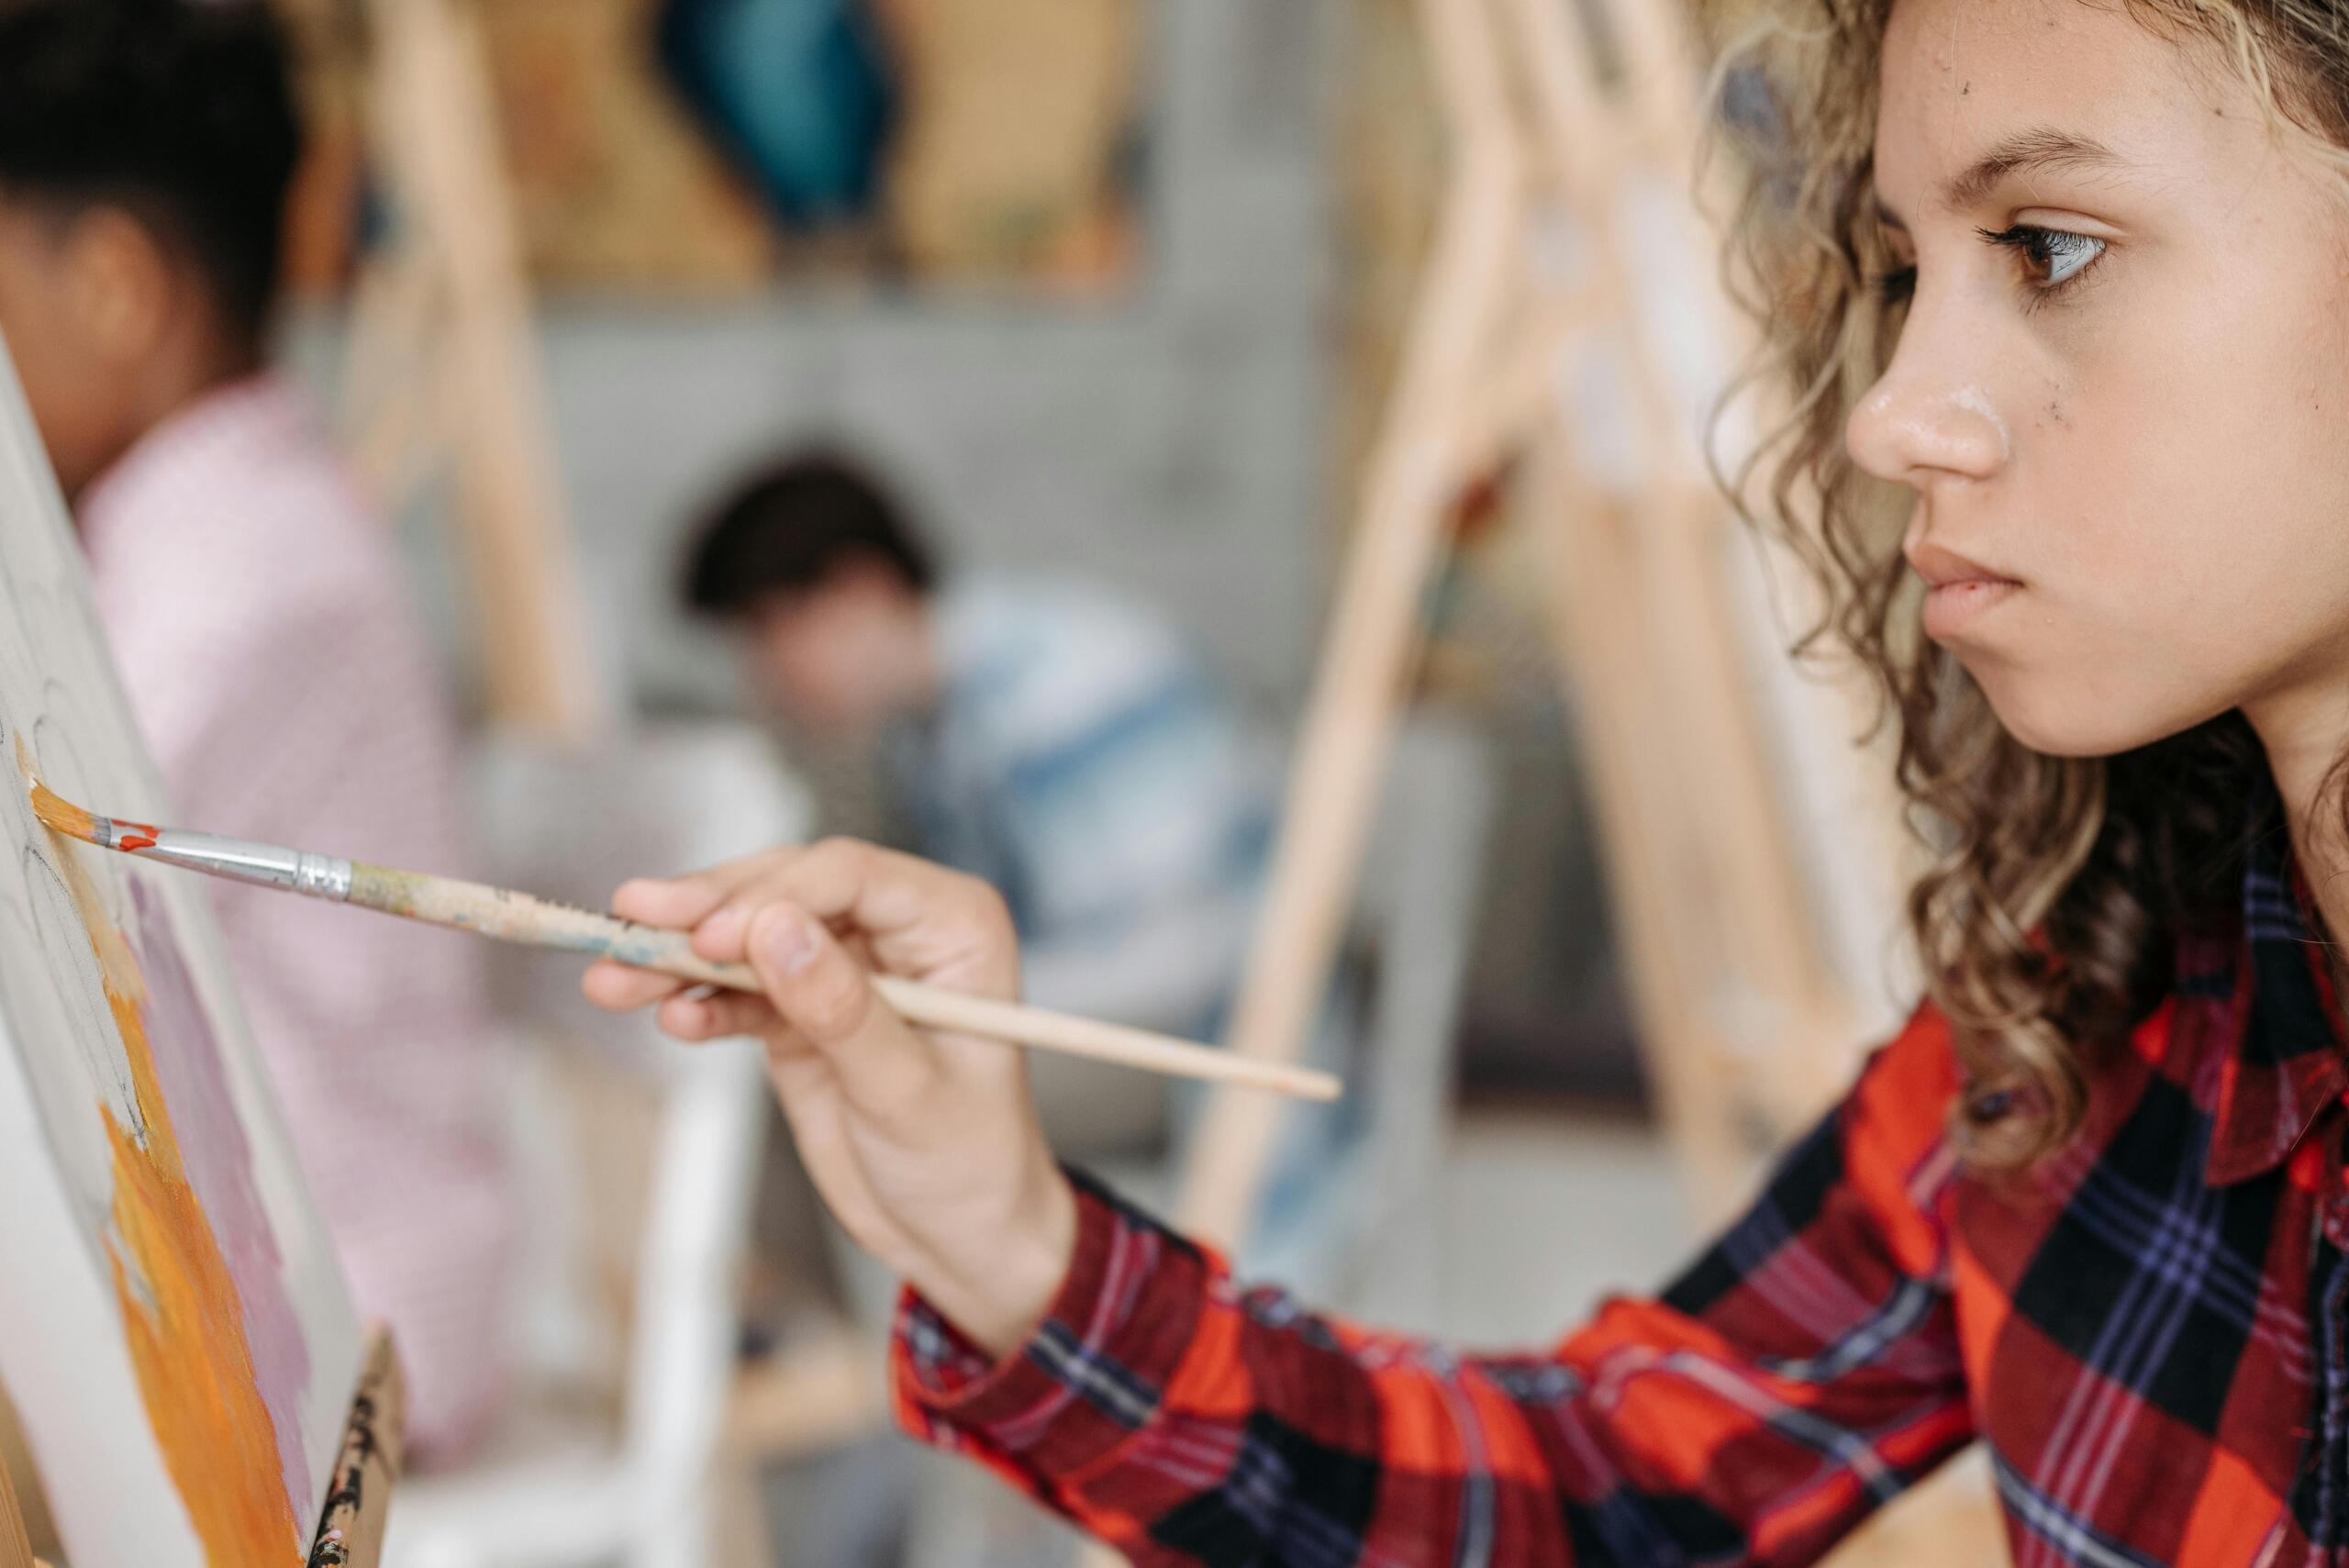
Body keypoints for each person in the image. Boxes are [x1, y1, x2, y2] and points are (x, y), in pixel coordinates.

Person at [594, 0, 2349, 1560]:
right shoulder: (2083, 1009)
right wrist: (1012, 1240)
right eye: (1902, 271)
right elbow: (1614, 1481)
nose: (1893, 412)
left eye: (2046, 246)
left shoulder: (1050, 678)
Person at [0, 0, 510, 1461]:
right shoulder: (203, 537)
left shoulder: (244, 577)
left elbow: (30, 898)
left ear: (111, 286)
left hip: (344, 1305)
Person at [680, 451, 1294, 1148]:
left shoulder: (1052, 696)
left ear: (860, 588)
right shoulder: (931, 726)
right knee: (810, 1053)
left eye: (769, 632)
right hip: (1130, 1013)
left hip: (1219, 1043)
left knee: (822, 1074)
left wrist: (921, 992)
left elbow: (1177, 959)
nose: (766, 680)